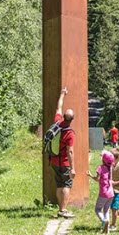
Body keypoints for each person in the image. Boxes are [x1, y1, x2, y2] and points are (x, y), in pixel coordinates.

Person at [49, 87, 76, 219]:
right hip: (64, 162)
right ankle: (63, 210)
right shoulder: (70, 133)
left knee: (59, 184)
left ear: (64, 117)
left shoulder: (57, 123)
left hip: (53, 160)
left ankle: (60, 208)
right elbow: (70, 151)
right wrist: (73, 168)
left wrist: (62, 94)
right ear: (72, 119)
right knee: (66, 185)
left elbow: (58, 108)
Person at [88, 150, 115, 233]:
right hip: (111, 193)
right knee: (106, 210)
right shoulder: (111, 167)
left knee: (98, 209)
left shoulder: (100, 168)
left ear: (103, 160)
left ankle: (104, 221)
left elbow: (97, 179)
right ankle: (106, 227)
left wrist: (90, 175)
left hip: (103, 193)